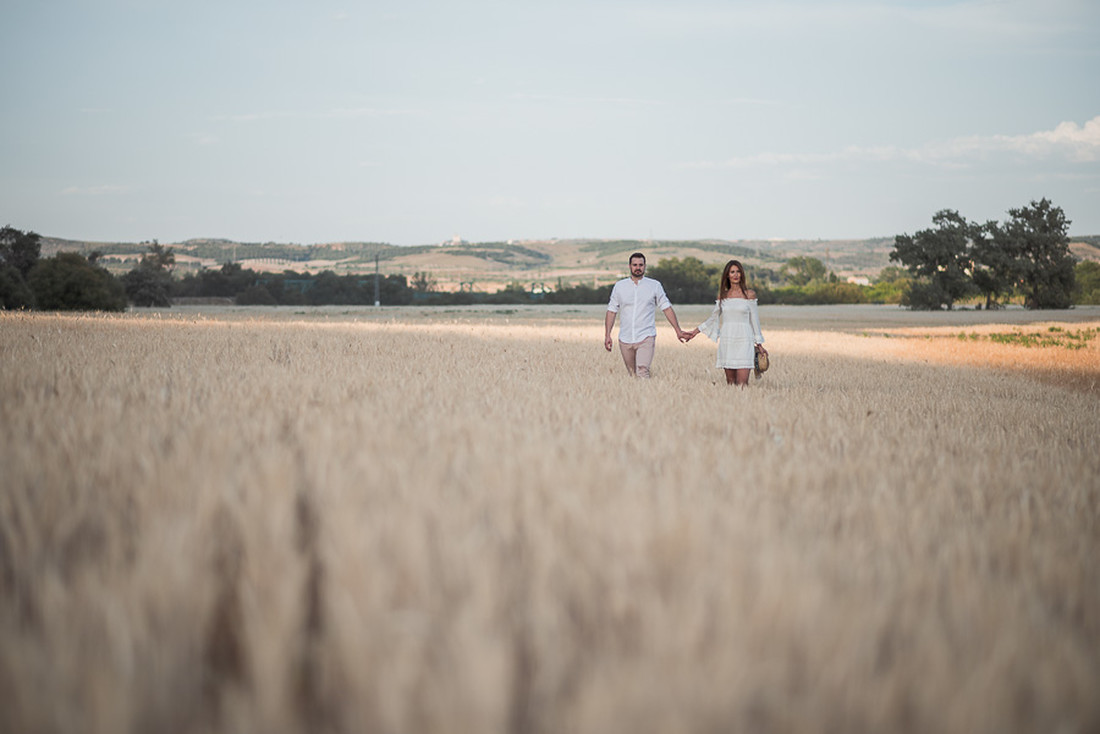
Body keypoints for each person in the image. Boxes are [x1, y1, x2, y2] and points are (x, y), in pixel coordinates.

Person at [683, 259, 767, 387]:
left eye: (738, 272)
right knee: (731, 385)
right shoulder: (723, 296)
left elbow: (755, 321)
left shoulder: (749, 295)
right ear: (727, 275)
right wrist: (694, 332)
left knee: (743, 384)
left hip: (745, 341)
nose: (736, 275)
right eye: (732, 272)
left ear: (742, 274)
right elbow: (712, 318)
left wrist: (759, 344)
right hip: (727, 341)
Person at [604, 252, 689, 378]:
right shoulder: (619, 286)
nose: (638, 268)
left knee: (642, 371)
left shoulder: (654, 285)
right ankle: (638, 397)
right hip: (625, 338)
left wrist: (678, 330)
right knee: (633, 375)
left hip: (646, 336)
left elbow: (666, 308)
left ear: (645, 266)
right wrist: (607, 335)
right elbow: (611, 311)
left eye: (641, 265)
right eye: (635, 265)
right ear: (629, 266)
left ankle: (647, 396)